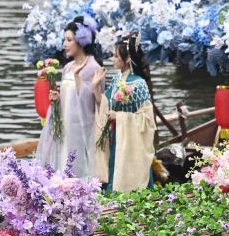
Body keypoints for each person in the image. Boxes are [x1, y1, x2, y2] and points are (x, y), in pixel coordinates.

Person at [36, 16, 103, 179]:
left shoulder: (94, 67)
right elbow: (69, 98)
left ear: (81, 40)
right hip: (64, 125)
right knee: (61, 163)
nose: (64, 44)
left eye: (69, 40)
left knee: (77, 167)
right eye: (64, 40)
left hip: (82, 130)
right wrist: (57, 98)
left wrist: (80, 80)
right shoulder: (67, 67)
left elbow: (98, 103)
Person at [92, 34, 156, 191]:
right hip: (117, 137)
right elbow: (105, 105)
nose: (113, 59)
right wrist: (95, 86)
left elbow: (147, 120)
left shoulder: (139, 84)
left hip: (131, 142)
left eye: (115, 56)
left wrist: (120, 117)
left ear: (127, 59)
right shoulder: (116, 80)